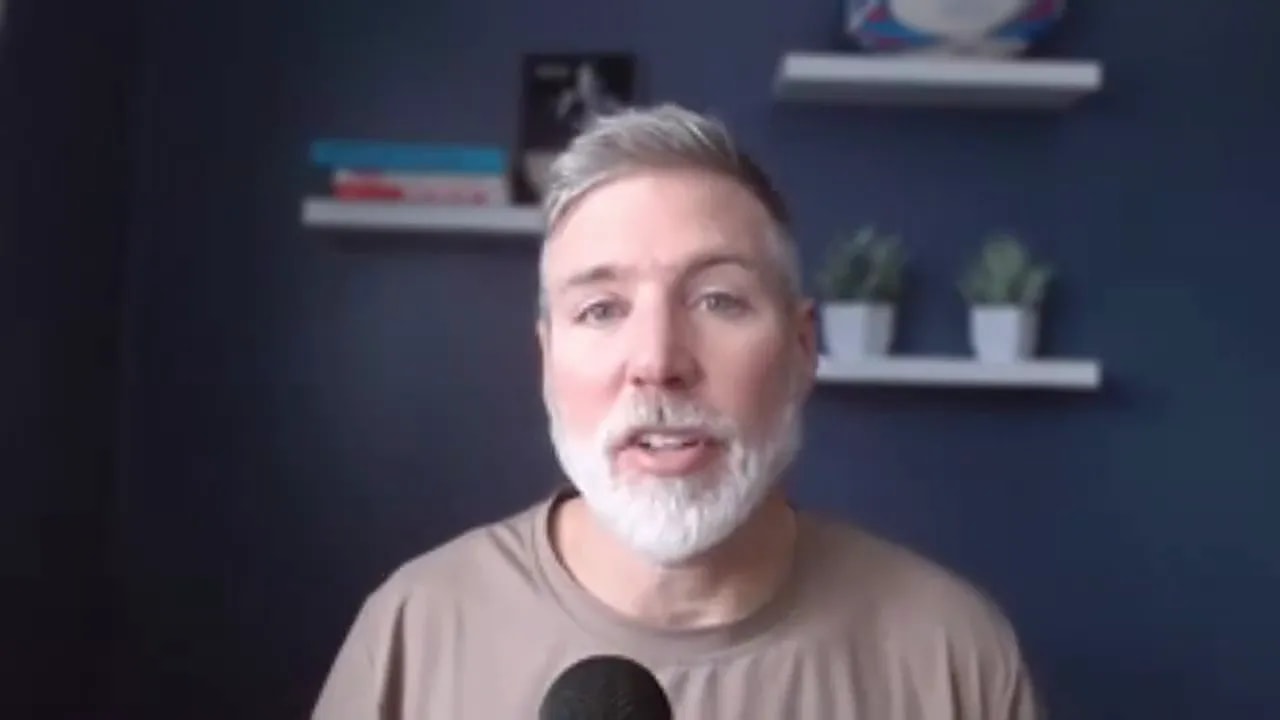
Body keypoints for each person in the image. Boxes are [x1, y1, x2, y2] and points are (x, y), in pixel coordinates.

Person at [311, 103, 1042, 719]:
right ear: (547, 361)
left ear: (800, 350)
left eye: (718, 300)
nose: (658, 361)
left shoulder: (954, 658)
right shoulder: (412, 632)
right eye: (602, 309)